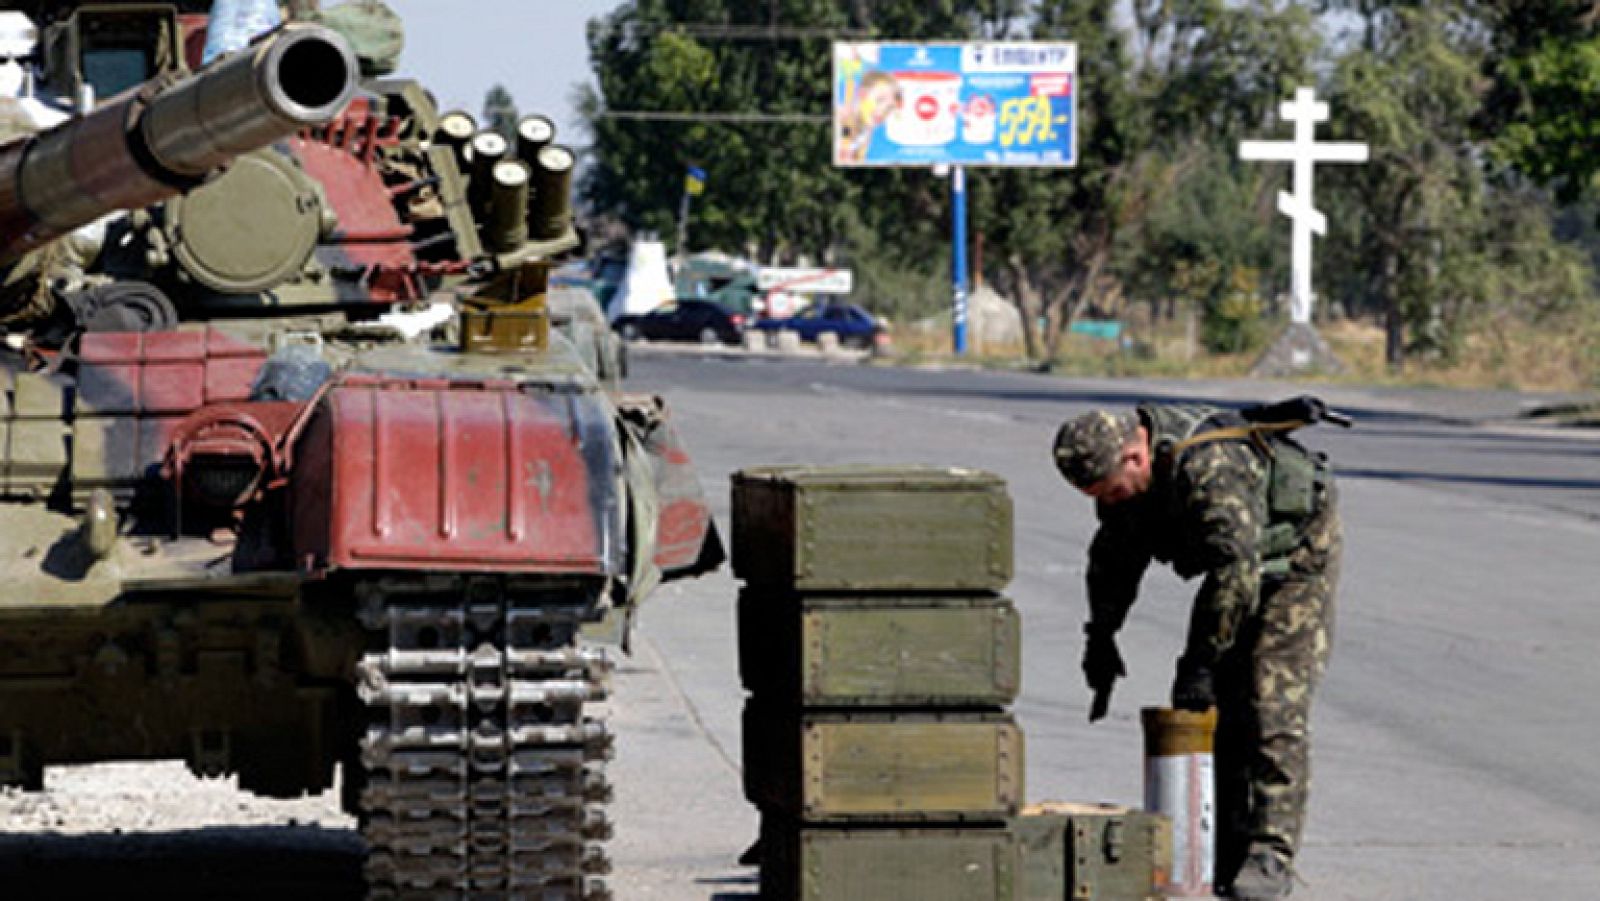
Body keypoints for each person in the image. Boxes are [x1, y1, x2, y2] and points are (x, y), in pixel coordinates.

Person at [1052, 400, 1342, 900]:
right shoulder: (1127, 481)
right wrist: (1101, 636)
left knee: (1271, 703)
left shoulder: (1210, 470)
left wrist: (1200, 659)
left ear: (1135, 458)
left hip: (1293, 560)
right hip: (1240, 561)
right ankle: (1224, 845)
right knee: (1215, 709)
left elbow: (1235, 571)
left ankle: (1270, 853)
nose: (1108, 502)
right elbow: (1114, 555)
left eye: (1109, 491)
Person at [836, 70, 900, 164]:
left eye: (889, 107)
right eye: (879, 100)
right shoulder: (841, 119)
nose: (883, 111)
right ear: (863, 94)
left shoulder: (866, 133)